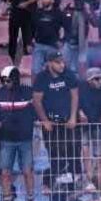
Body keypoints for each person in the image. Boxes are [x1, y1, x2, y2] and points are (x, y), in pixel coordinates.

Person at [33, 50, 80, 188]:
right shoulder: (41, 78)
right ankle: (53, 182)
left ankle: (73, 181)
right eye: (58, 62)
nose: (62, 65)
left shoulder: (69, 75)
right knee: (54, 152)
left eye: (63, 62)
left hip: (67, 120)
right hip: (51, 122)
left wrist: (73, 117)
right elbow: (37, 101)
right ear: (49, 63)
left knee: (73, 149)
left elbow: (75, 96)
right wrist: (44, 121)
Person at [0, 66, 37, 201]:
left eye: (8, 80)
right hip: (6, 140)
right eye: (3, 80)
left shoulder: (29, 93)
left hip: (25, 139)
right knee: (5, 172)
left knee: (27, 171)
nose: (6, 83)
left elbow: (36, 110)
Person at [7, 0, 38, 67]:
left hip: (28, 14)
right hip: (15, 13)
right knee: (12, 39)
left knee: (27, 40)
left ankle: (27, 65)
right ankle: (10, 63)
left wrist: (26, 3)